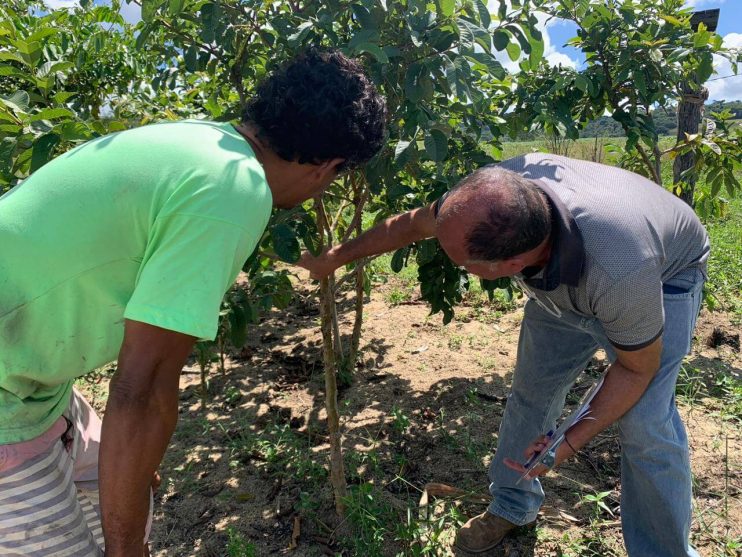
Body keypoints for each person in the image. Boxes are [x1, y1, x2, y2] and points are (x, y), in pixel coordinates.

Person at [0, 48, 386, 557]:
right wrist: (127, 549)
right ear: (327, 167)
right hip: (8, 402)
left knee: (126, 495)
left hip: (30, 383)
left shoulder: (200, 140)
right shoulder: (234, 191)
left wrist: (133, 472)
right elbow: (142, 388)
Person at [299, 154, 709, 556]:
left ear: (509, 265)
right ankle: (513, 505)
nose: (450, 259)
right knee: (532, 392)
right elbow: (411, 224)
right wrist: (333, 258)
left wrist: (564, 445)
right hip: (569, 276)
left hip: (665, 274)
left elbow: (636, 370)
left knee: (645, 423)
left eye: (462, 262)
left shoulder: (620, 272)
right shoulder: (489, 198)